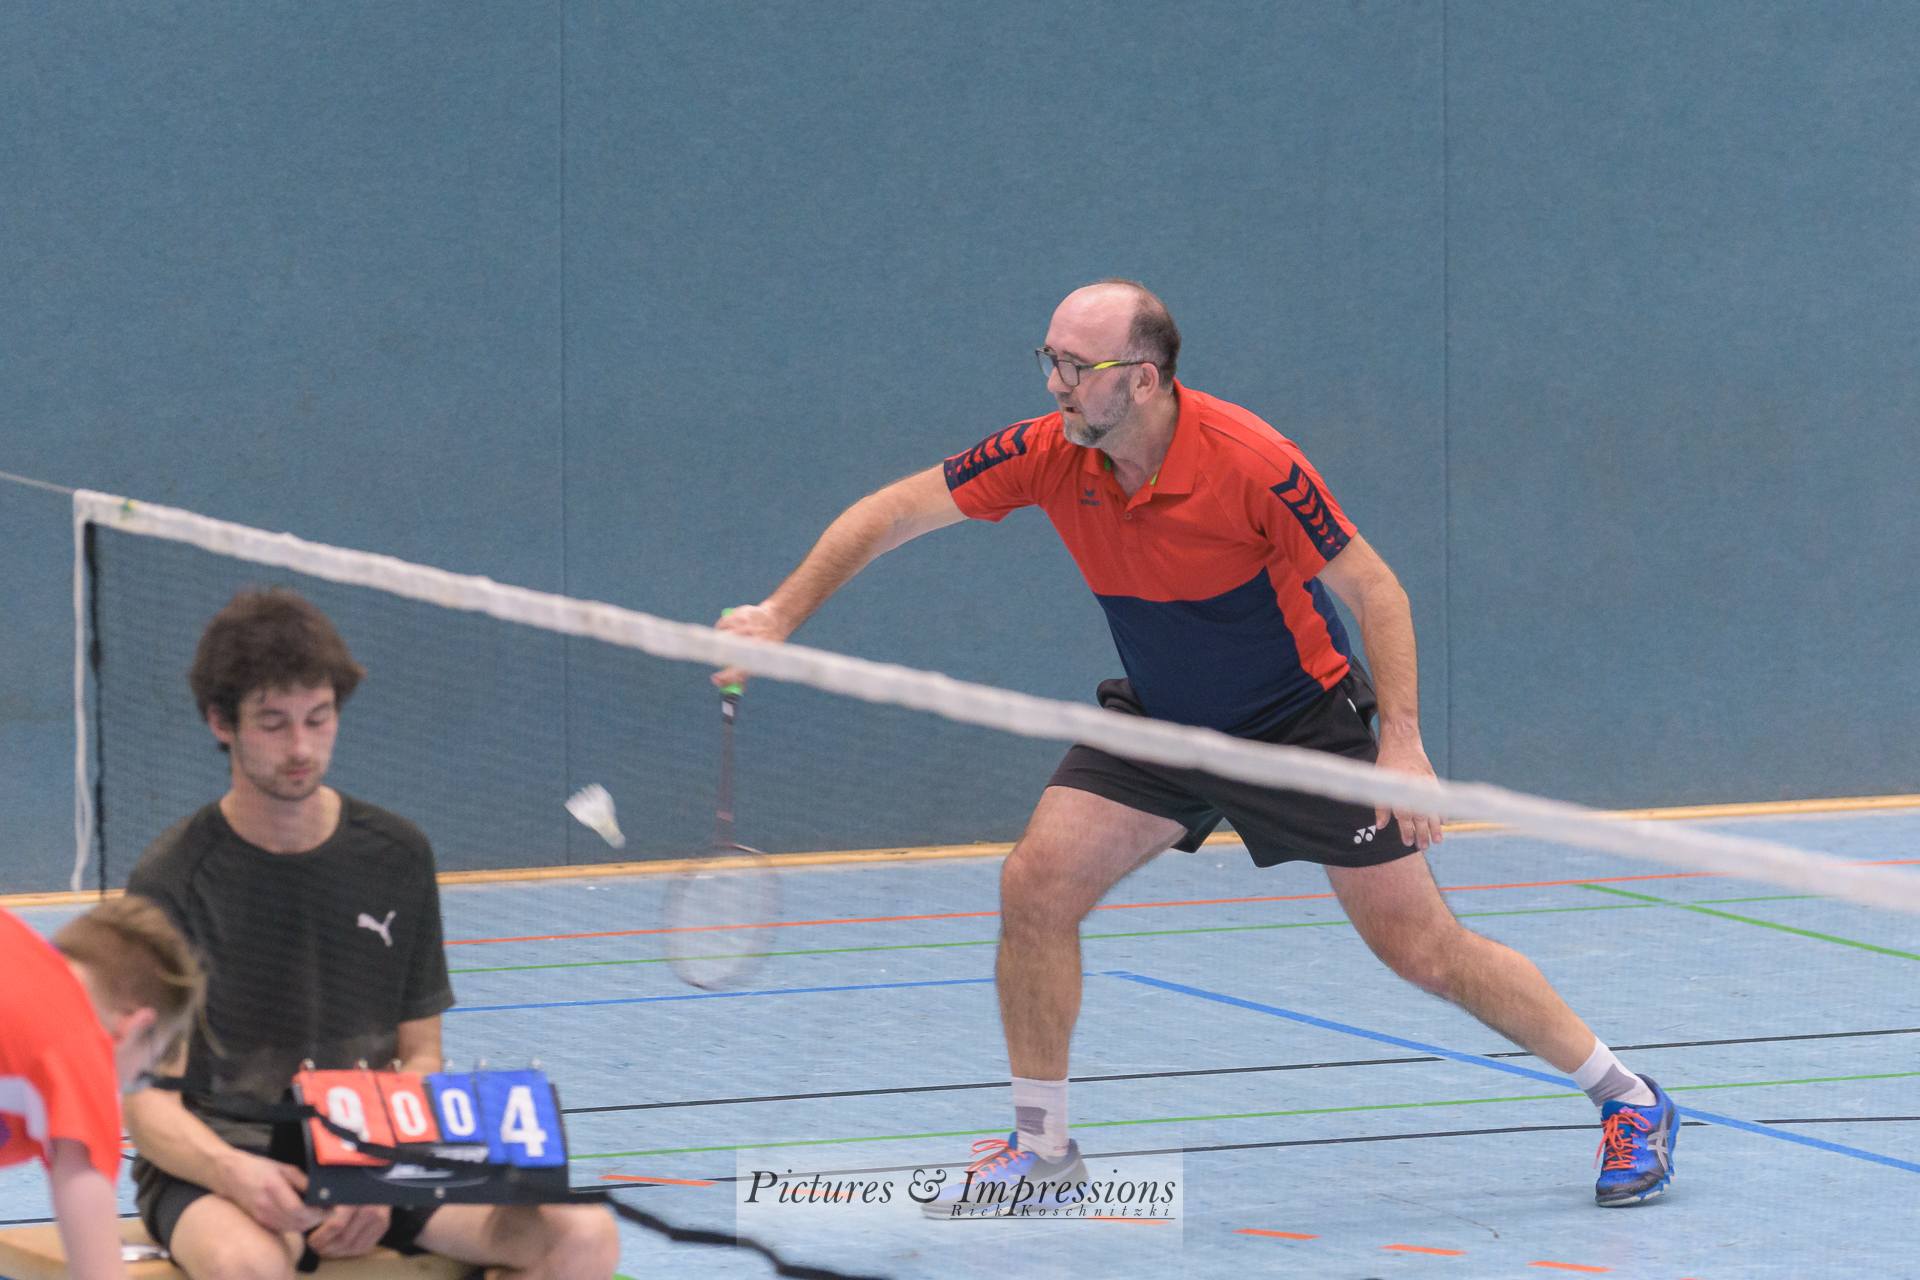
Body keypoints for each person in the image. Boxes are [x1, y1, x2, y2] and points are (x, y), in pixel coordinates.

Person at [714, 280, 1678, 1212]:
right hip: (1165, 721)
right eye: (1049, 359)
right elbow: (892, 511)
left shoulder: (1253, 461)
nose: (1053, 383)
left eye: (1076, 366)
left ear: (1142, 379)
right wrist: (779, 615)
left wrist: (1403, 745)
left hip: (1297, 728)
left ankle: (1627, 1097)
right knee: (1035, 886)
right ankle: (1042, 1150)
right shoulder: (1048, 451)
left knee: (1424, 952)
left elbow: (1375, 589)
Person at [122, 587, 620, 1279]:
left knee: (584, 1234)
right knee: (246, 1263)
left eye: (319, 718)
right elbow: (147, 1102)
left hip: (374, 1146)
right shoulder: (172, 878)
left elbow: (420, 1056)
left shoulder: (396, 855)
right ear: (220, 722)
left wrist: (381, 1172)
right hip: (227, 1160)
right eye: (273, 724)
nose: (301, 747)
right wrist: (237, 1175)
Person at [2, 896, 203, 1280]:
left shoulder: (15, 941)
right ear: (135, 1027)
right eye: (140, 1072)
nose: (123, 1085)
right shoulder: (78, 1048)